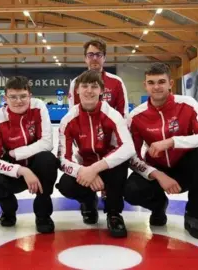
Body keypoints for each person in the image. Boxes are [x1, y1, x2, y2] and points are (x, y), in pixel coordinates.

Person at [124, 63, 198, 240]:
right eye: (151, 82)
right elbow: (131, 156)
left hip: (185, 168)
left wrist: (172, 142)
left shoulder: (187, 104)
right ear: (145, 85)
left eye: (161, 81)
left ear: (170, 83)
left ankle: (194, 215)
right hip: (157, 171)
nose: (157, 87)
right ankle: (158, 206)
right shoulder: (136, 116)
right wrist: (157, 175)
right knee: (130, 191)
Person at [57, 70, 135, 238]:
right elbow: (63, 159)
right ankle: (88, 202)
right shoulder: (68, 120)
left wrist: (96, 168)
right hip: (85, 168)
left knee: (120, 162)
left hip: (109, 167)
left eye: (94, 86)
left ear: (101, 91)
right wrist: (85, 172)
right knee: (65, 184)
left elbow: (128, 147)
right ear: (77, 90)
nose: (89, 91)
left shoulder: (112, 115)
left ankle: (114, 213)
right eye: (84, 86)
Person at [0, 76, 58, 233]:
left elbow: (47, 143)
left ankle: (43, 215)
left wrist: (16, 153)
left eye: (23, 96)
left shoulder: (38, 107)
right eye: (13, 97)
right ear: (5, 98)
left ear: (30, 95)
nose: (18, 101)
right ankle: (9, 209)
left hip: (37, 168)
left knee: (48, 160)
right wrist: (21, 170)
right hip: (12, 171)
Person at [68, 38, 129, 117]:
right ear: (85, 58)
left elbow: (123, 114)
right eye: (90, 55)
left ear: (104, 58)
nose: (94, 58)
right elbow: (73, 113)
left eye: (98, 54)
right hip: (85, 128)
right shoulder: (76, 82)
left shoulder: (117, 82)